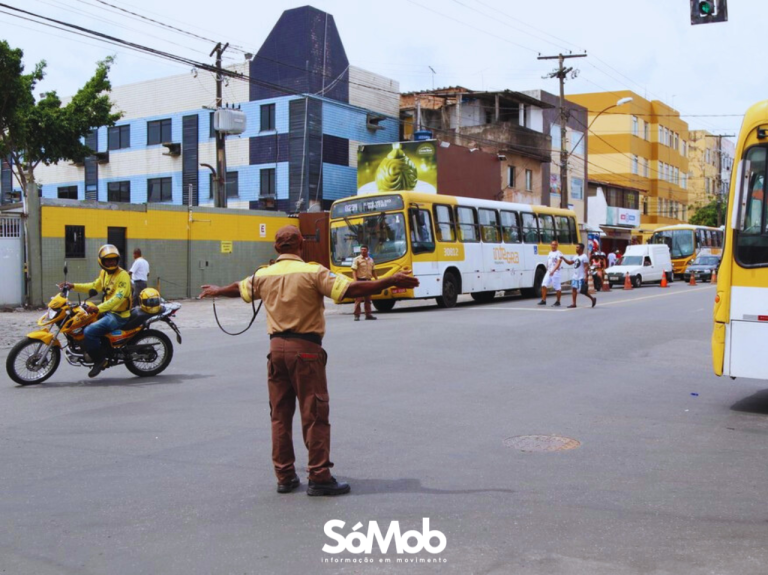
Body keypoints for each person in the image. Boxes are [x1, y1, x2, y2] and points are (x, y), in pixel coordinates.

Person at [198, 226, 419, 497]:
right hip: (306, 351)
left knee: (279, 416)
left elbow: (240, 288)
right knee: (314, 414)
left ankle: (285, 476)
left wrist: (217, 290)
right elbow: (350, 289)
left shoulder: (263, 275)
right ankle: (319, 476)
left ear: (276, 248)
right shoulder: (312, 272)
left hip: (275, 351)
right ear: (300, 245)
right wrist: (388, 280)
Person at [57, 244, 132, 378]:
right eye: (108, 260)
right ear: (101, 262)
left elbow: (118, 298)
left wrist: (98, 308)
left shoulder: (123, 275)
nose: (111, 262)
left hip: (118, 315)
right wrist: (73, 286)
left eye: (113, 260)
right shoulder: (104, 273)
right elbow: (94, 286)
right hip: (107, 311)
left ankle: (100, 360)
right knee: (82, 320)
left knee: (89, 331)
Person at [561, 243, 596, 309]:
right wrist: (563, 258)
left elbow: (586, 267)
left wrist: (586, 276)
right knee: (574, 289)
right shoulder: (575, 256)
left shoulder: (584, 257)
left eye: (577, 247)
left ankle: (592, 299)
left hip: (581, 276)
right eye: (576, 247)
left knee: (582, 291)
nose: (576, 249)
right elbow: (570, 263)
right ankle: (574, 303)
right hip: (575, 276)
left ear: (581, 249)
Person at [351, 245, 378, 321]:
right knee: (358, 299)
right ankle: (357, 315)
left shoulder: (371, 260)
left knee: (368, 299)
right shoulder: (357, 259)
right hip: (360, 281)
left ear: (367, 251)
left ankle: (368, 314)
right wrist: (355, 281)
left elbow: (373, 271)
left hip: (368, 281)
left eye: (364, 250)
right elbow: (354, 271)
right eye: (362, 250)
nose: (363, 251)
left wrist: (376, 279)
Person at [538, 240, 563, 307]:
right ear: (550, 245)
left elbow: (558, 263)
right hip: (549, 272)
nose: (553, 246)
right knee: (544, 284)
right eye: (552, 244)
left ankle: (558, 301)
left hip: (556, 272)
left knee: (557, 287)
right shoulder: (550, 253)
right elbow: (548, 262)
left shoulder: (559, 253)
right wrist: (548, 270)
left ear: (557, 245)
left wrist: (553, 271)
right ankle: (543, 300)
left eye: (555, 245)